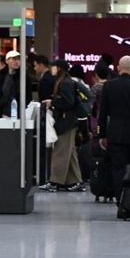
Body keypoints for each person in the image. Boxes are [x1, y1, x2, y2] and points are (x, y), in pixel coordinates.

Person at [96, 55, 130, 200]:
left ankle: (119, 198)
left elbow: (102, 114)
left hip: (114, 134)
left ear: (118, 68)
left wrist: (101, 134)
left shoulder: (108, 86)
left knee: (117, 168)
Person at [45, 60, 85, 192]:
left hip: (65, 122)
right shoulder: (66, 81)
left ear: (60, 68)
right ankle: (75, 180)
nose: (52, 69)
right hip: (69, 121)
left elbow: (68, 102)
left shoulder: (65, 83)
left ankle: (54, 181)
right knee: (70, 152)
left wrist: (53, 102)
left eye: (54, 67)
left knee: (60, 151)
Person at [0, 50, 21, 118]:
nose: (16, 62)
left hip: (18, 113)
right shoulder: (1, 77)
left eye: (18, 59)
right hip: (3, 111)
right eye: (14, 59)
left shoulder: (23, 78)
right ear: (7, 61)